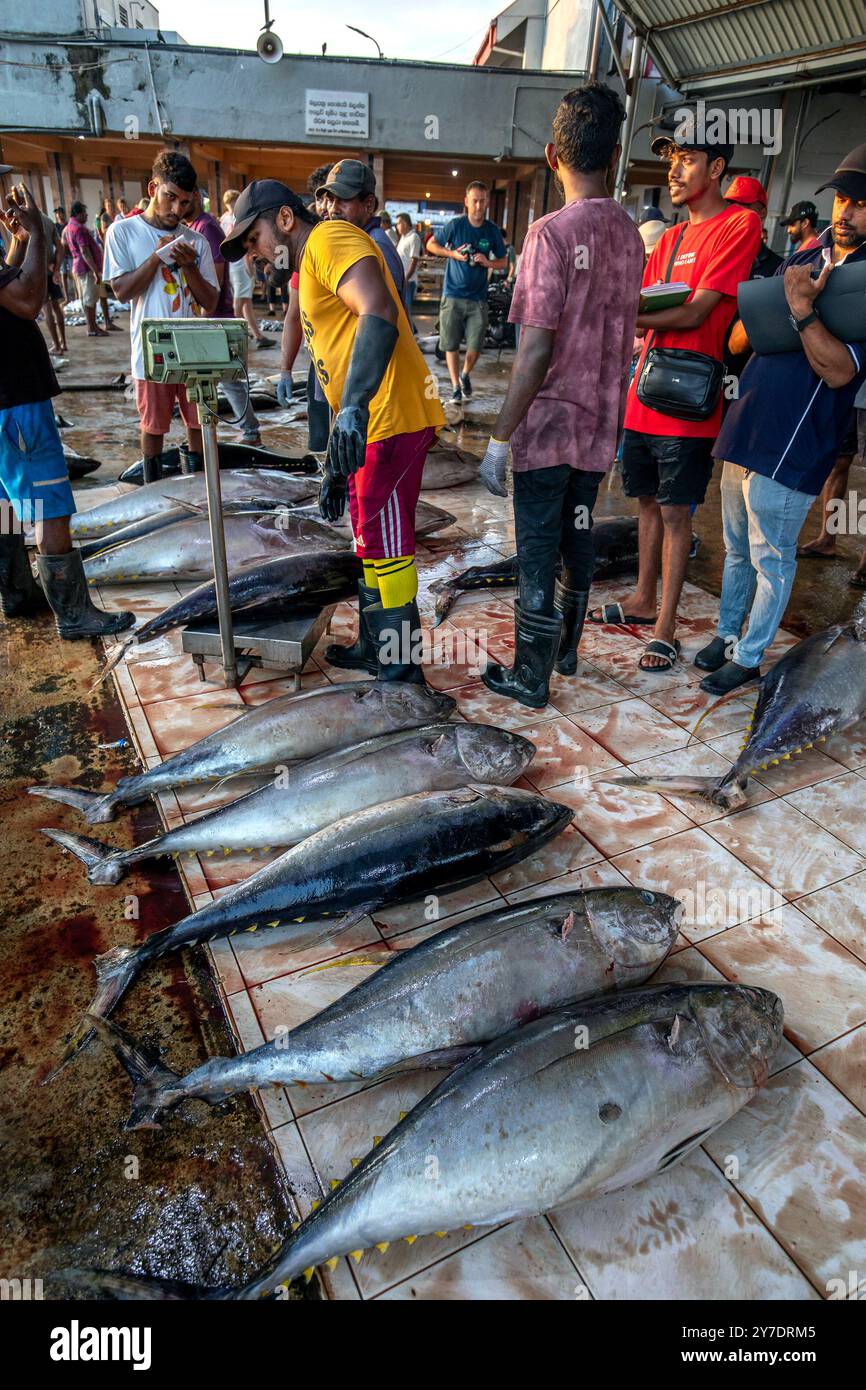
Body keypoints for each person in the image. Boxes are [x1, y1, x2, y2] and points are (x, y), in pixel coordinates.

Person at [222, 179, 445, 683]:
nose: (254, 255)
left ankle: (402, 667)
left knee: (389, 550)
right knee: (367, 536)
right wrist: (336, 462)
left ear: (282, 219)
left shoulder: (327, 239)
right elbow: (340, 353)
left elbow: (378, 309)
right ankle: (375, 646)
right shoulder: (308, 265)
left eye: (253, 239)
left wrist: (356, 408)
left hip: (391, 415)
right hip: (371, 422)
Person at [478, 83, 644, 709]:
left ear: (552, 155)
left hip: (548, 427)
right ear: (616, 153)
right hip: (602, 423)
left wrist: (499, 437)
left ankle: (530, 674)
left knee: (538, 551)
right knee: (579, 534)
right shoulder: (630, 234)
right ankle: (567, 651)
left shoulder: (549, 233)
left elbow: (536, 351)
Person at [590, 115, 761, 673]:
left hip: (690, 398)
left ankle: (665, 628)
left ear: (716, 167)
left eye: (686, 158)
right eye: (669, 160)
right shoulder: (671, 236)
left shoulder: (738, 226)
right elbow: (652, 307)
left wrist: (624, 310)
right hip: (647, 388)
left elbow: (693, 310)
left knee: (676, 512)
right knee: (643, 500)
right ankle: (642, 600)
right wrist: (634, 312)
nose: (674, 170)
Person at [696, 144, 866, 695]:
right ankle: (726, 634)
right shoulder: (805, 256)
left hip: (798, 440)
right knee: (737, 546)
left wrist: (799, 311)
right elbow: (739, 339)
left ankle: (749, 657)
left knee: (773, 555)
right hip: (749, 421)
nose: (846, 211)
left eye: (861, 203)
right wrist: (766, 306)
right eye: (842, 198)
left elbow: (840, 371)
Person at [0, 181, 133, 636]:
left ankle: (16, 591)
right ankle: (74, 615)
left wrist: (18, 247)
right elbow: (26, 298)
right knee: (48, 506)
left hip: (4, 404)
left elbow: (8, 286)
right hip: (16, 402)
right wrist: (38, 235)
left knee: (7, 502)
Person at [102, 150, 219, 482]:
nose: (177, 209)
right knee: (153, 425)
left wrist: (188, 265)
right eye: (171, 197)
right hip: (151, 349)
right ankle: (151, 488)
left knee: (199, 422)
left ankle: (199, 489)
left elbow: (209, 301)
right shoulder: (122, 232)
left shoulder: (196, 241)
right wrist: (156, 259)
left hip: (194, 350)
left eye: (185, 202)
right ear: (153, 188)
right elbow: (121, 290)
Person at [184, 186, 261, 446]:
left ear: (195, 196)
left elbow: (214, 282)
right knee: (215, 382)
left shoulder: (207, 228)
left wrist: (203, 318)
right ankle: (239, 431)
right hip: (205, 316)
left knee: (231, 380)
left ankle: (250, 431)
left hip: (216, 316)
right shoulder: (193, 226)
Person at [428, 181, 507, 401]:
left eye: (482, 201)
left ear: (487, 202)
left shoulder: (491, 230)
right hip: (452, 295)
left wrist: (487, 262)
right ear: (466, 202)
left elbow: (503, 262)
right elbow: (431, 244)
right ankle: (455, 387)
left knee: (476, 346)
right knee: (450, 344)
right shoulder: (455, 226)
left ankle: (465, 374)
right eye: (474, 201)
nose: (479, 206)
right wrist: (452, 254)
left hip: (478, 299)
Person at [723, 176, 782, 398]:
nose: (737, 212)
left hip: (745, 373)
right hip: (704, 364)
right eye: (732, 206)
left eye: (745, 206)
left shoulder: (777, 267)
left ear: (762, 212)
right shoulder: (714, 255)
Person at [316, 160, 406, 304]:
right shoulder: (352, 242)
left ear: (368, 204)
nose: (333, 209)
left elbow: (385, 315)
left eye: (343, 200)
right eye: (330, 200)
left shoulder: (377, 248)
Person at [62, 202, 109, 339]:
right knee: (90, 299)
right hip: (86, 269)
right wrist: (95, 270)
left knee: (86, 299)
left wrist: (74, 255)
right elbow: (85, 251)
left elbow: (64, 245)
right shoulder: (79, 229)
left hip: (78, 267)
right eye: (84, 212)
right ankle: (92, 328)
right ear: (78, 213)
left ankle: (92, 326)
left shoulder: (68, 227)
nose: (86, 215)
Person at [396, 212, 422, 321]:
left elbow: (414, 259)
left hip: (409, 281)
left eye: (398, 224)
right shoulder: (403, 238)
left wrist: (406, 279)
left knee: (406, 309)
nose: (397, 227)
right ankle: (413, 330)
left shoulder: (413, 237)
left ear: (405, 224)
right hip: (401, 280)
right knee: (402, 310)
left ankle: (411, 334)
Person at [54, 206, 74, 300]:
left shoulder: (68, 224)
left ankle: (77, 296)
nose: (58, 215)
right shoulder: (55, 226)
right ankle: (66, 298)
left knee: (73, 275)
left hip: (70, 253)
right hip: (61, 254)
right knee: (64, 275)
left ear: (63, 214)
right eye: (57, 213)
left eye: (59, 213)